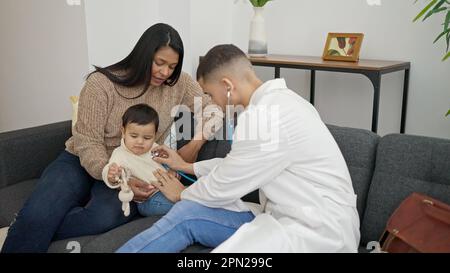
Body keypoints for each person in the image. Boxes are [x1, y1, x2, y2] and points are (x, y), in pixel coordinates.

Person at [116, 44, 361, 253]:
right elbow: (240, 163)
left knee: (186, 211)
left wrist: (181, 193)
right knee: (187, 215)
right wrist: (186, 165)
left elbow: (225, 184)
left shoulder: (264, 117)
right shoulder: (285, 103)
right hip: (286, 215)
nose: (212, 101)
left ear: (227, 86)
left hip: (318, 231)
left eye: (210, 93)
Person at [1, 23, 222, 253]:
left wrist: (196, 144)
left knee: (105, 217)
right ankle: (32, 222)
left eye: (172, 66)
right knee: (41, 211)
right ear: (143, 55)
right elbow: (88, 142)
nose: (165, 72)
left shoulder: (179, 84)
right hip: (80, 160)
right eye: (159, 63)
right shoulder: (101, 84)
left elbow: (213, 110)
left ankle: (28, 226)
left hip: (134, 165)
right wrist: (118, 179)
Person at [102, 103, 177, 217]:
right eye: (134, 136)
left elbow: (168, 164)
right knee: (176, 206)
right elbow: (110, 173)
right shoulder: (120, 154)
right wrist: (111, 175)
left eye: (147, 138)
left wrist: (173, 171)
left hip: (169, 188)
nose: (140, 142)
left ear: (154, 135)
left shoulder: (154, 147)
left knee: (191, 194)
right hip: (149, 199)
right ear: (123, 132)